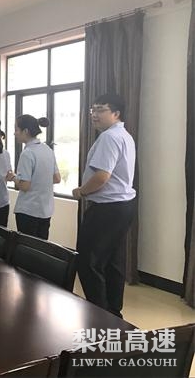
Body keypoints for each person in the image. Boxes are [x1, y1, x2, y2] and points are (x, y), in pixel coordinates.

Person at [73, 93, 136, 318]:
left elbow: (102, 176)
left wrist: (82, 191)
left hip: (107, 208)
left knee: (88, 262)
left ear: (116, 113)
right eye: (93, 109)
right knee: (113, 262)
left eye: (101, 110)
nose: (94, 114)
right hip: (122, 207)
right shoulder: (124, 135)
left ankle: (99, 314)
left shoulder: (109, 137)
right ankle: (113, 313)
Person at [6, 115, 60, 240]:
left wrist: (13, 177)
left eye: (16, 129)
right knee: (41, 247)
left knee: (26, 247)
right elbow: (57, 178)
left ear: (25, 131)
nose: (14, 133)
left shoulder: (28, 153)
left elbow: (25, 186)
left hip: (29, 211)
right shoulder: (47, 150)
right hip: (46, 210)